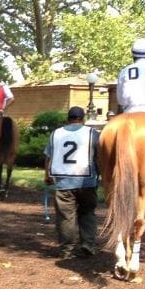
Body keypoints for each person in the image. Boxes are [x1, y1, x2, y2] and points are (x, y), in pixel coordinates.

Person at [43, 106, 100, 259]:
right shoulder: (92, 134)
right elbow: (99, 157)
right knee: (87, 213)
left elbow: (49, 156)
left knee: (65, 217)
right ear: (83, 119)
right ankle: (88, 244)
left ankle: (67, 250)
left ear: (68, 118)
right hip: (86, 182)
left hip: (63, 182)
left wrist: (47, 175)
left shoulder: (56, 134)